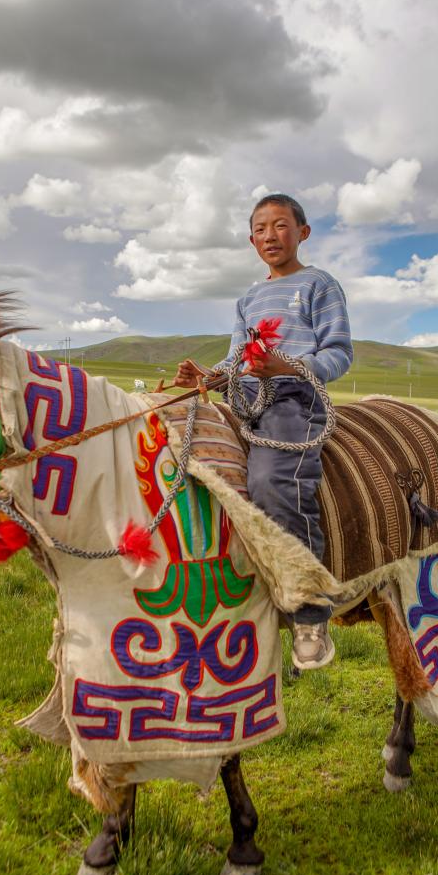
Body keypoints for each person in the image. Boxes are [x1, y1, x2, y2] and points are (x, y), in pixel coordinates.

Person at [174, 193, 353, 669]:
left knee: (272, 481)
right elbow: (237, 361)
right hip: (244, 398)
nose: (270, 236)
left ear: (303, 232)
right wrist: (208, 378)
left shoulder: (319, 285)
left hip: (294, 400)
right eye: (260, 228)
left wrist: (287, 367)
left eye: (280, 225)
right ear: (251, 239)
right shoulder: (248, 299)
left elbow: (339, 353)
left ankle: (311, 611)